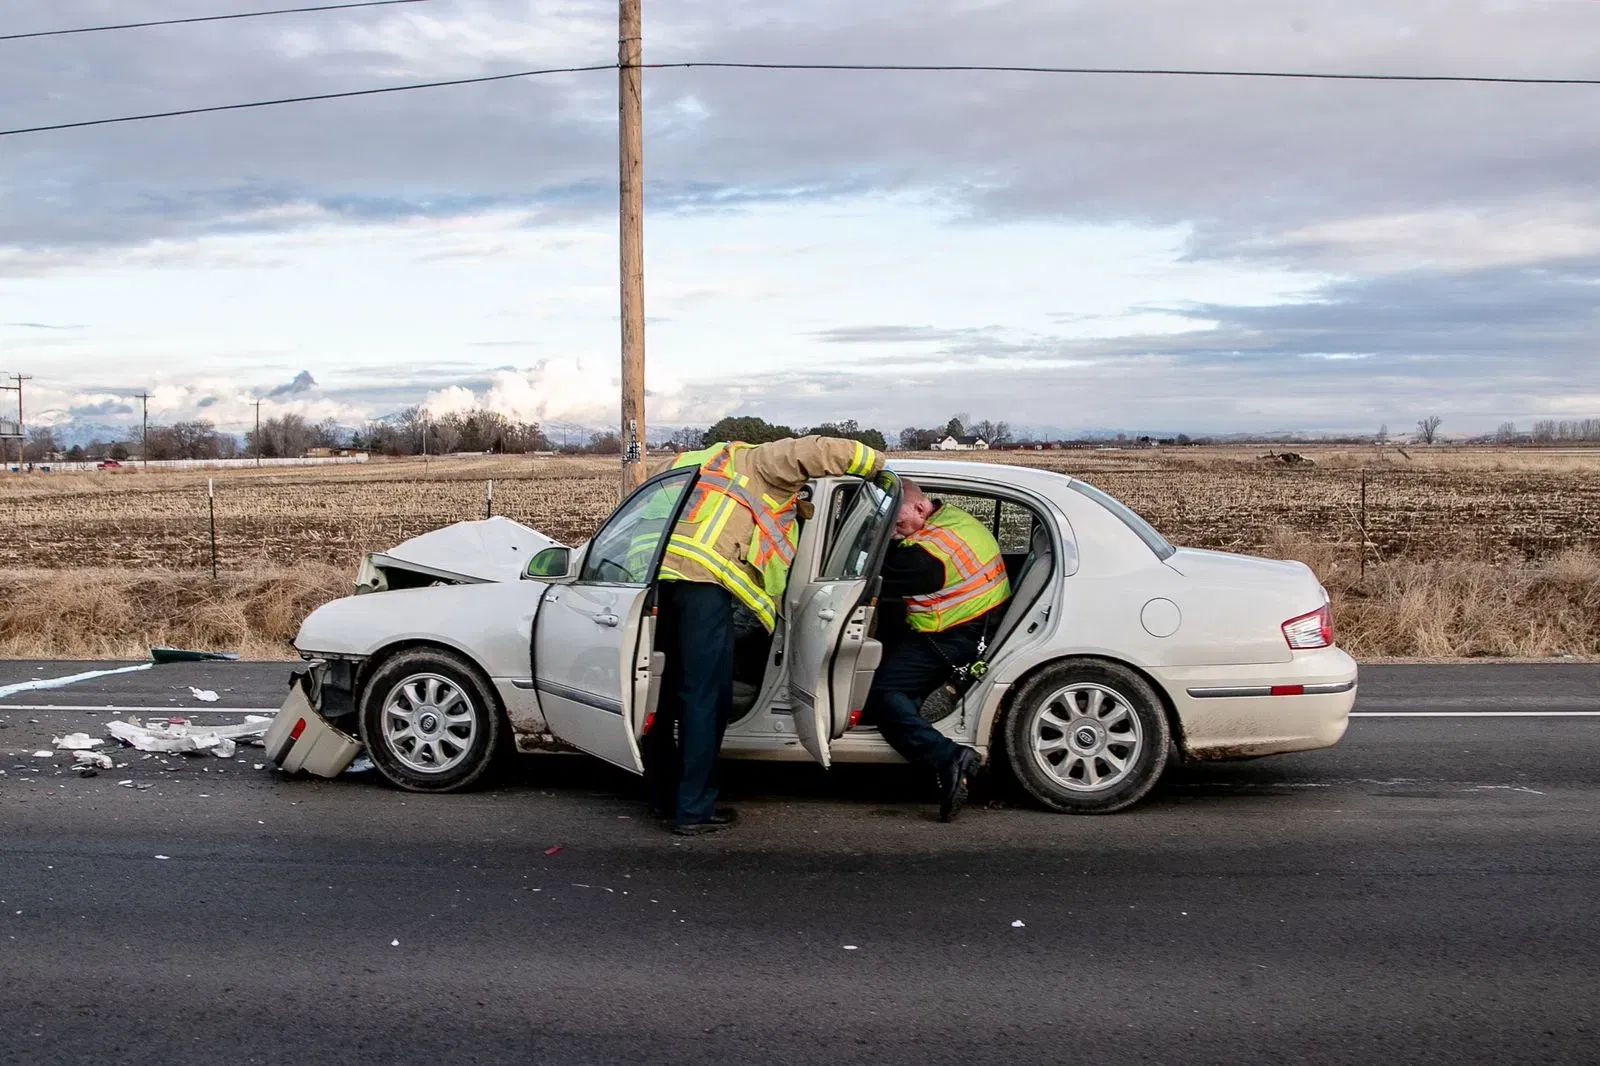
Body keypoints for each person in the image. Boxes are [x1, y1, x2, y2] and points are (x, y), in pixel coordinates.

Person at [645, 435, 884, 835]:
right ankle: (693, 810)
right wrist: (877, 463)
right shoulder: (758, 461)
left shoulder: (691, 461)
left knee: (667, 694)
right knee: (705, 699)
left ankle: (663, 798)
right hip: (704, 583)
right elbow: (817, 448)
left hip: (658, 580)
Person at [864, 479, 1011, 821]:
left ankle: (947, 757)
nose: (893, 532)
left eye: (896, 524)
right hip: (973, 620)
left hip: (952, 636)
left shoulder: (928, 555)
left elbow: (866, 575)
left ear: (918, 507)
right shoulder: (950, 520)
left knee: (883, 695)